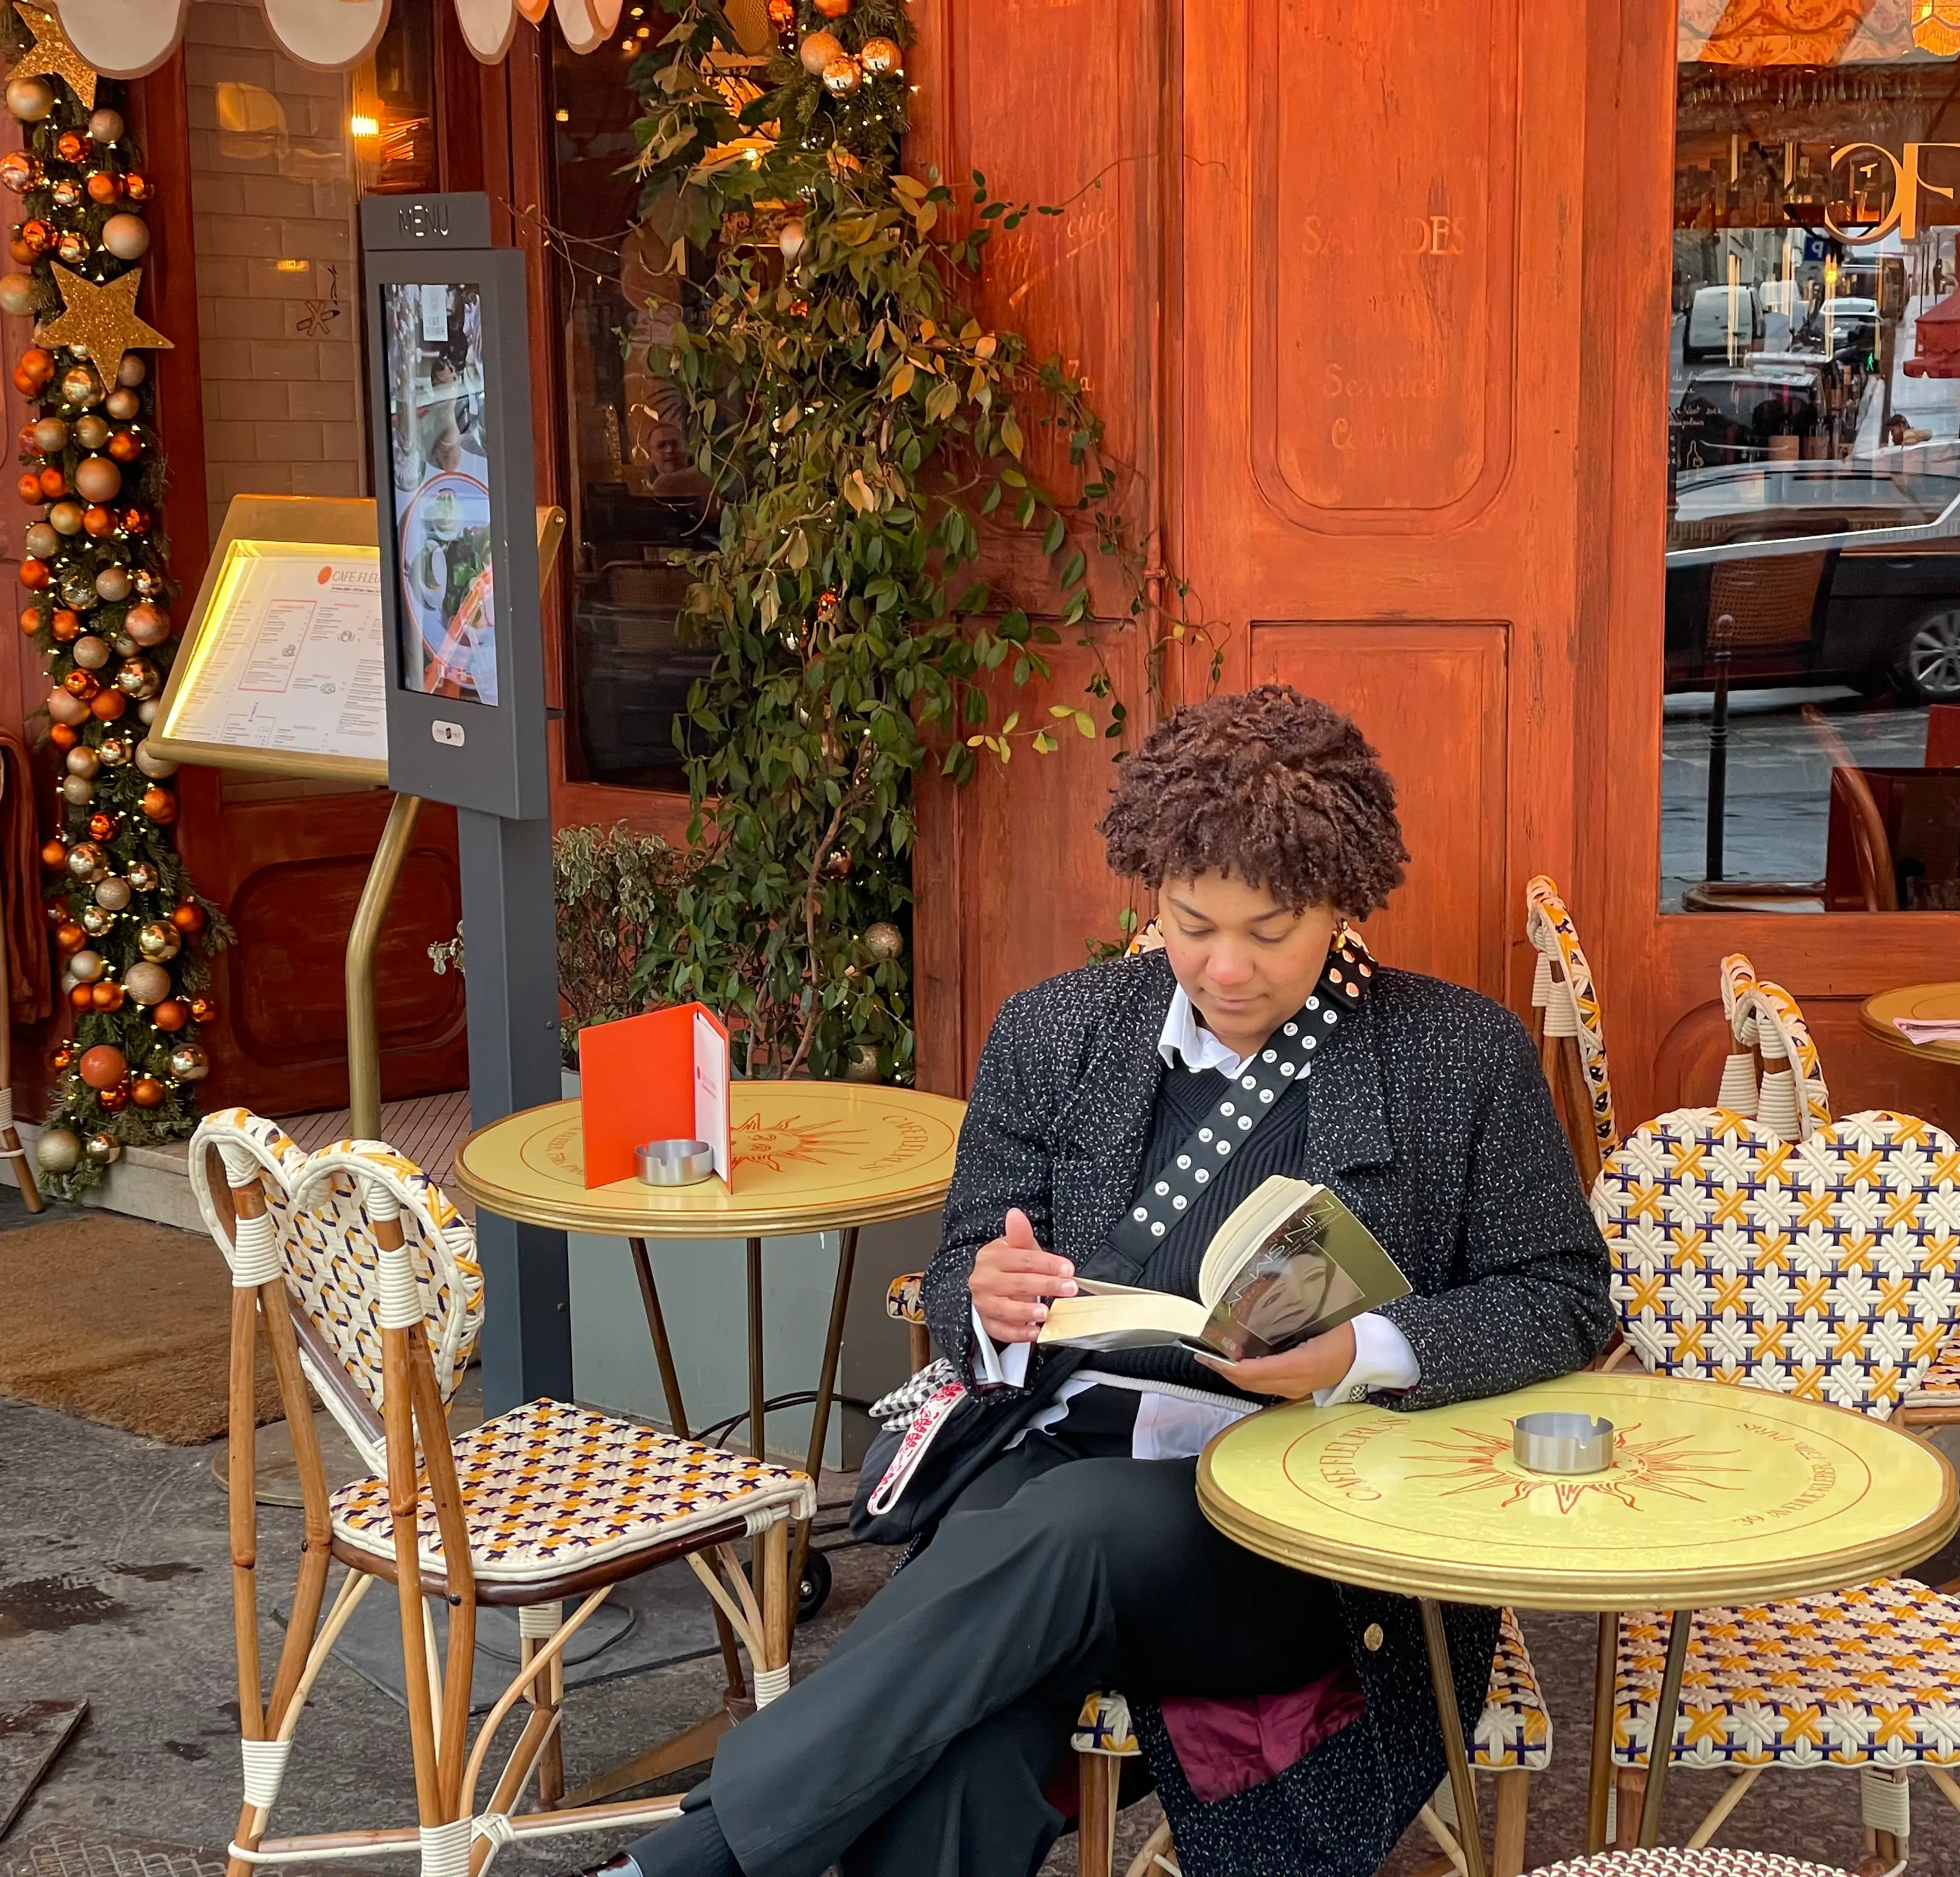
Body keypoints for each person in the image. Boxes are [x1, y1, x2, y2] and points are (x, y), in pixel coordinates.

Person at [597, 685, 1612, 1877]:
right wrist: (987, 1299)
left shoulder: (1456, 1053)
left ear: (1345, 899)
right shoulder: (1058, 1033)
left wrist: (1359, 1354)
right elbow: (959, 1274)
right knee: (964, 1756)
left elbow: (1563, 1295)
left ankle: (691, 1862)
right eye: (1191, 923)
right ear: (1150, 892)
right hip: (1052, 1459)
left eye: (1271, 929)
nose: (1225, 967)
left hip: (1298, 1517)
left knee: (1065, 1534)